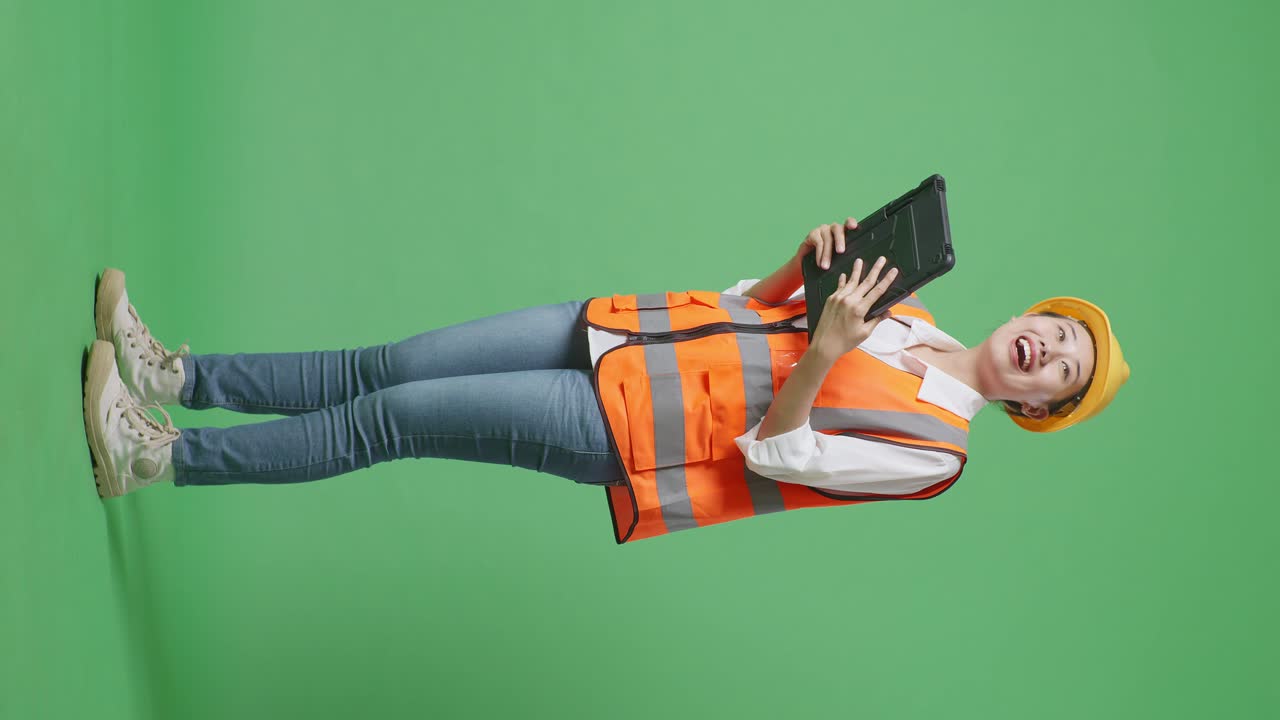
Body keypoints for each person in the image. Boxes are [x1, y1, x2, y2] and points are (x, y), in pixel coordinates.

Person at [81, 217, 1129, 543]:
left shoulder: (935, 456)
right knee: (384, 364)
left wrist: (823, 345)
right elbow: (752, 307)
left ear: (1036, 409)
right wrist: (800, 266)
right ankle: (180, 373)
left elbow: (780, 452)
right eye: (1056, 328)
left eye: (1063, 369)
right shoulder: (914, 316)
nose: (1046, 346)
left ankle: (158, 456)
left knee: (388, 419)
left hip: (633, 434)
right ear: (1032, 314)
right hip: (624, 333)